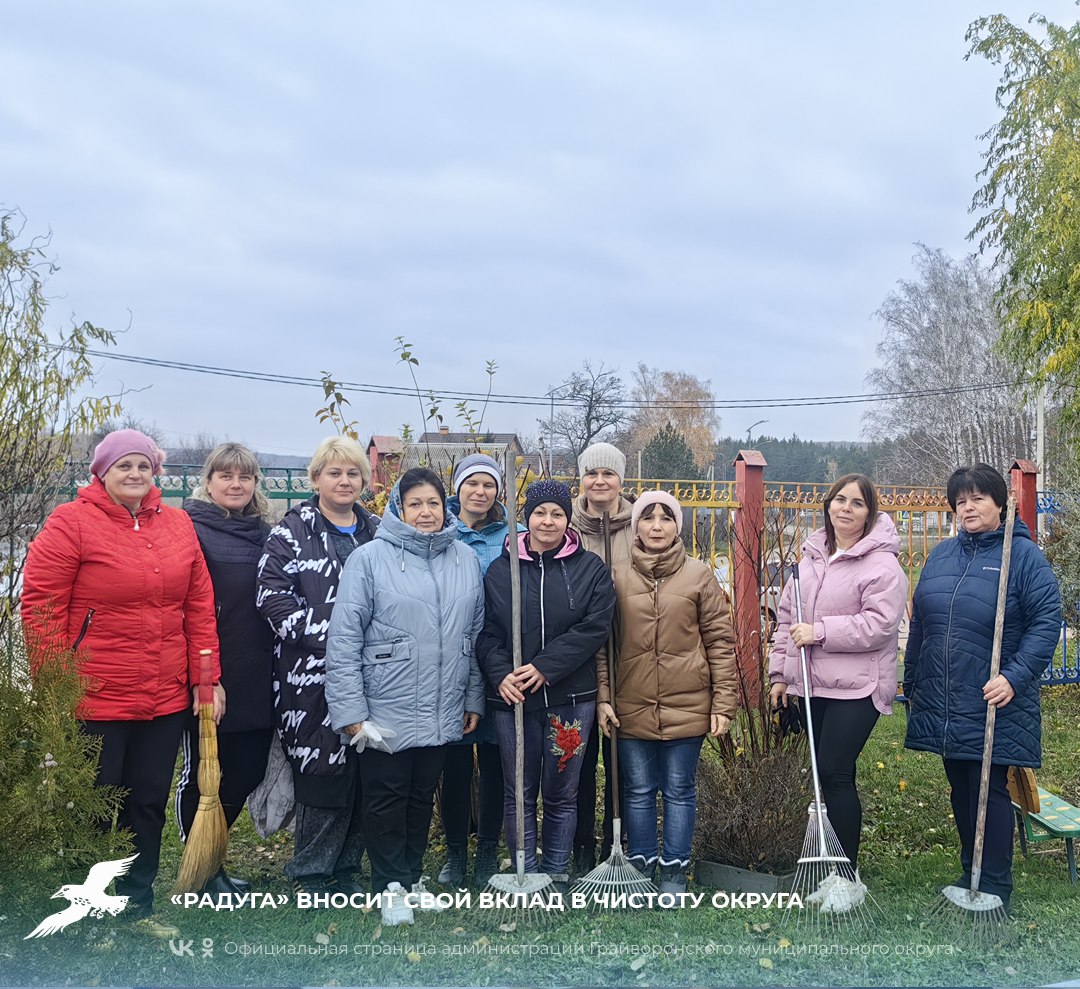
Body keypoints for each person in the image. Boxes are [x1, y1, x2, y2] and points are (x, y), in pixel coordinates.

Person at [21, 428, 222, 938]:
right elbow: (41, 607)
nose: (135, 475)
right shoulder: (71, 523)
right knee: (92, 802)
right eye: (122, 467)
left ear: (155, 471)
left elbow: (198, 606)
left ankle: (136, 905)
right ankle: (82, 908)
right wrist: (54, 687)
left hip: (164, 695)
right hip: (93, 694)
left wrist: (207, 680)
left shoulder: (177, 524)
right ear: (101, 472)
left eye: (143, 466)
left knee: (146, 801)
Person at [325, 468, 485, 927]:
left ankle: (412, 878)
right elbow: (344, 638)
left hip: (441, 704)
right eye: (415, 503)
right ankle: (389, 885)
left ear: (445, 507)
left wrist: (472, 697)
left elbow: (472, 635)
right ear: (398, 507)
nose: (425, 512)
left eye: (433, 503)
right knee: (386, 797)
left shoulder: (463, 560)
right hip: (386, 707)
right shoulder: (370, 559)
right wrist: (352, 714)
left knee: (420, 797)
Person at [904, 464, 1060, 913]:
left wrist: (1014, 676)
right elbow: (921, 623)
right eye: (961, 501)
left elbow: (1046, 621)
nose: (968, 507)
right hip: (945, 694)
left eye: (978, 499)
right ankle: (968, 870)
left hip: (993, 694)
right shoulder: (942, 554)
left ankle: (994, 884)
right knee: (960, 786)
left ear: (1000, 504)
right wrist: (912, 679)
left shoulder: (1023, 556)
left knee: (988, 787)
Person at [769, 473, 908, 910]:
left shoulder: (882, 564)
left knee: (835, 771)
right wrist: (779, 675)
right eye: (839, 500)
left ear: (871, 513)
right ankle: (830, 870)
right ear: (828, 506)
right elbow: (786, 620)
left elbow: (880, 625)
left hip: (859, 685)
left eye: (857, 503)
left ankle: (847, 879)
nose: (846, 508)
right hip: (812, 683)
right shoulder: (810, 558)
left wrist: (821, 631)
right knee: (823, 777)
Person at [478, 479, 616, 894]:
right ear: (526, 518)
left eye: (557, 513)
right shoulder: (502, 570)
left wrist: (544, 667)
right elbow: (485, 632)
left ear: (567, 519)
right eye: (540, 513)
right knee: (518, 789)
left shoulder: (589, 569)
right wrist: (502, 673)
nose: (548, 521)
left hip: (569, 697)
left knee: (562, 789)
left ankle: (555, 872)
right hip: (513, 698)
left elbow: (595, 627)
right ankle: (526, 870)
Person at [597, 491, 737, 895]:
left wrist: (723, 702)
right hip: (631, 704)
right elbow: (603, 645)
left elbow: (720, 641)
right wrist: (604, 697)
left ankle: (674, 870)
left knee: (679, 789)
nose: (656, 526)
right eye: (647, 518)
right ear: (635, 525)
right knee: (638, 790)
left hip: (688, 703)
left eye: (666, 518)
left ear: (678, 526)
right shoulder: (616, 575)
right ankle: (640, 865)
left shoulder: (699, 576)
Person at [256, 437, 379, 898]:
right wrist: (339, 639)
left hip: (373, 673)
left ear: (363, 481)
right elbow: (273, 601)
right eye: (334, 473)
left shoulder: (378, 530)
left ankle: (347, 868)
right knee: (322, 769)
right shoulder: (290, 532)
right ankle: (311, 873)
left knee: (364, 770)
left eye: (352, 474)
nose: (344, 481)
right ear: (316, 479)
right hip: (310, 675)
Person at [176, 443, 275, 895]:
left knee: (248, 769)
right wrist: (205, 677)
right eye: (226, 476)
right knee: (204, 770)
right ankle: (201, 865)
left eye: (245, 477)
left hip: (258, 668)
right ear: (208, 480)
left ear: (256, 484)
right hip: (210, 667)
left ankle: (212, 851)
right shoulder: (188, 529)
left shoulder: (266, 532)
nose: (236, 485)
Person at [437, 454, 511, 887]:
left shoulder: (513, 536)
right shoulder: (441, 533)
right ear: (458, 488)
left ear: (498, 492)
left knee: (498, 763)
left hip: (500, 663)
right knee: (456, 763)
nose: (480, 492)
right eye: (472, 484)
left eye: (488, 485)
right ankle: (455, 853)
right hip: (453, 663)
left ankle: (487, 850)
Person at [570, 441, 633, 874]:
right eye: (592, 473)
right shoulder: (565, 525)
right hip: (576, 660)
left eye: (608, 474)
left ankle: (619, 844)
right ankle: (579, 849)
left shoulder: (640, 522)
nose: (599, 481)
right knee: (577, 761)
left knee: (620, 763)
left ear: (620, 480)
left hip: (628, 657)